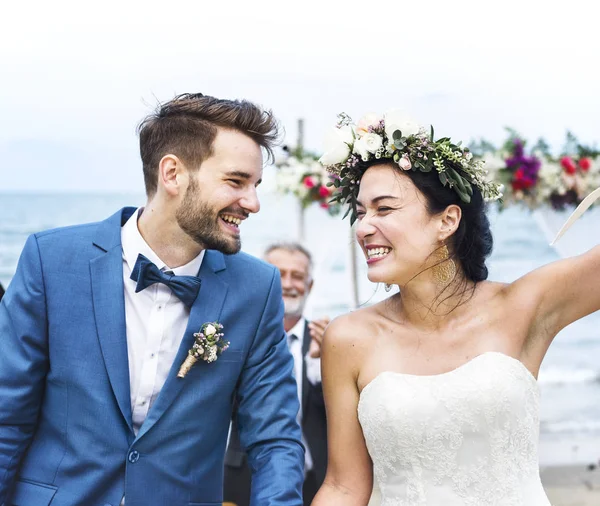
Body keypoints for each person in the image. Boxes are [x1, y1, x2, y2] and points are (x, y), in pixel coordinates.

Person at [0, 93, 305, 506]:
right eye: (236, 181)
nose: (252, 203)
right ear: (173, 174)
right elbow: (6, 417)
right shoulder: (51, 260)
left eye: (255, 185)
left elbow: (275, 441)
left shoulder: (257, 287)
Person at [311, 109, 598, 506]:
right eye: (360, 213)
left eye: (384, 208)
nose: (362, 227)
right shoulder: (349, 338)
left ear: (446, 221)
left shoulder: (523, 305)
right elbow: (344, 486)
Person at [224, 243, 329, 506]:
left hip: (317, 480)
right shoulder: (236, 336)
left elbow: (339, 414)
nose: (288, 283)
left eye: (297, 276)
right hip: (245, 477)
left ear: (310, 285)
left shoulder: (328, 339)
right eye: (279, 274)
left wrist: (320, 363)